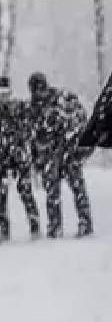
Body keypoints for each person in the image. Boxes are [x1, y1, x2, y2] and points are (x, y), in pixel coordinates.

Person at [27, 72, 94, 238]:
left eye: (39, 90)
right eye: (35, 91)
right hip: (52, 155)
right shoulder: (35, 107)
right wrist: (37, 159)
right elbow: (33, 136)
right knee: (54, 193)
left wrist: (78, 148)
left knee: (76, 189)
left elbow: (81, 123)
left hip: (68, 152)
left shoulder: (63, 100)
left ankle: (84, 224)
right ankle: (56, 227)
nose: (38, 94)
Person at [0, 76, 40, 242]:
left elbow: (30, 129)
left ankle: (35, 226)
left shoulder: (20, 108)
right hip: (2, 157)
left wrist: (24, 148)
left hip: (19, 155)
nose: (3, 96)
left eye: (5, 93)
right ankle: (3, 231)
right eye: (1, 93)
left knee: (25, 191)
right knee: (1, 194)